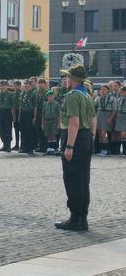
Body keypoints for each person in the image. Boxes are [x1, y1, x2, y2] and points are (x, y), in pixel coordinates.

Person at [55, 65, 96, 231]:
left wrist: (69, 146)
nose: (65, 80)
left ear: (73, 80)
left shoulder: (72, 95)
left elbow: (74, 122)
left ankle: (75, 218)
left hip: (74, 138)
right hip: (86, 138)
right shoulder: (87, 95)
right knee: (83, 180)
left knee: (72, 179)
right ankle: (82, 218)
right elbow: (93, 119)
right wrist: (91, 138)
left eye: (67, 77)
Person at [95, 85, 117, 157]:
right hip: (99, 115)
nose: (102, 90)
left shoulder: (112, 98)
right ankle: (102, 149)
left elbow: (114, 109)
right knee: (99, 133)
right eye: (101, 89)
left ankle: (106, 149)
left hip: (107, 115)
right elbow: (94, 106)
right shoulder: (98, 98)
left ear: (108, 90)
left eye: (104, 89)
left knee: (103, 133)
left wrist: (111, 118)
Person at [18, 80, 37, 155]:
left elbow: (35, 106)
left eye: (27, 84)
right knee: (23, 131)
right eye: (25, 84)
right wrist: (19, 115)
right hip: (23, 113)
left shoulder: (33, 94)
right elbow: (20, 105)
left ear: (30, 85)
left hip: (30, 113)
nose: (26, 85)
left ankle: (30, 148)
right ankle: (24, 147)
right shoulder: (22, 93)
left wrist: (34, 116)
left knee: (30, 131)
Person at [0, 80, 15, 152]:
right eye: (1, 85)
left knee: (8, 129)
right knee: (1, 129)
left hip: (8, 112)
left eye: (4, 85)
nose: (3, 87)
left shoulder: (10, 94)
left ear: (7, 86)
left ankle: (8, 145)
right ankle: (4, 144)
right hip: (1, 112)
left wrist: (13, 115)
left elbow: (13, 106)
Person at [43, 90, 60, 155]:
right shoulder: (45, 104)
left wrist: (58, 123)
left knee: (53, 134)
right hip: (47, 121)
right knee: (48, 135)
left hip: (54, 121)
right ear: (47, 97)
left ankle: (53, 148)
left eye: (51, 96)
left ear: (53, 96)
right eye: (49, 96)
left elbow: (59, 115)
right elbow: (43, 114)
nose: (50, 97)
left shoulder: (56, 104)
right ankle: (49, 148)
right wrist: (42, 123)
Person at [11, 81, 23, 151]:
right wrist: (13, 115)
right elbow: (12, 105)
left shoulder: (22, 94)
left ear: (20, 86)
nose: (16, 87)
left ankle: (22, 145)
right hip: (15, 112)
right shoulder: (13, 94)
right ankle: (16, 145)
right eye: (15, 86)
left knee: (22, 130)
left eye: (17, 86)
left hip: (21, 112)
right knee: (16, 130)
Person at [116, 85, 126, 156]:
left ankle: (125, 151)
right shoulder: (119, 99)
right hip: (120, 116)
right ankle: (122, 151)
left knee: (123, 133)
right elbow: (117, 107)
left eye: (122, 92)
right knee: (121, 134)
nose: (121, 93)